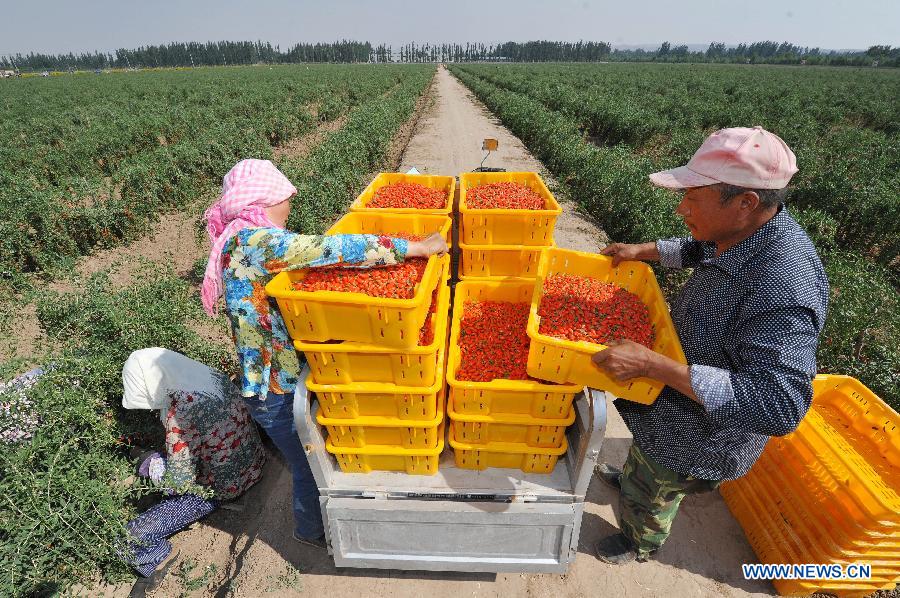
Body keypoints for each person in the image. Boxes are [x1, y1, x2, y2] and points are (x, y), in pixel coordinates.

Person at [590, 127, 829, 564]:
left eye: (693, 199)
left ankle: (638, 540)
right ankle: (632, 478)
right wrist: (645, 250)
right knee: (646, 458)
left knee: (661, 482)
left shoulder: (784, 282)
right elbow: (701, 248)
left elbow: (780, 404)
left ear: (745, 202)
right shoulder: (746, 230)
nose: (681, 209)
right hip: (672, 402)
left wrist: (655, 366)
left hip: (699, 433)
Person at [201, 158, 447, 548]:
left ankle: (318, 525)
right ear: (265, 201)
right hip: (274, 389)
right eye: (285, 200)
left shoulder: (241, 238)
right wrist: (412, 247)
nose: (289, 209)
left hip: (276, 378)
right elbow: (327, 248)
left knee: (311, 456)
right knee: (308, 463)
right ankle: (311, 532)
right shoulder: (254, 243)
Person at [119, 347, 266, 579]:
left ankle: (157, 556)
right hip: (254, 459)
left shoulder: (180, 413)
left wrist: (151, 465)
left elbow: (179, 483)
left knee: (129, 539)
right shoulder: (207, 376)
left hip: (222, 488)